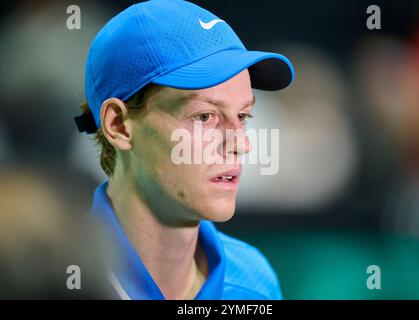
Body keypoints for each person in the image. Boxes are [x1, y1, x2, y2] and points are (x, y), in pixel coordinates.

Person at [74, 0, 294, 300]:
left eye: (242, 116)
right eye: (204, 116)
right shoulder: (51, 280)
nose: (241, 145)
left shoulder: (254, 280)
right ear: (119, 125)